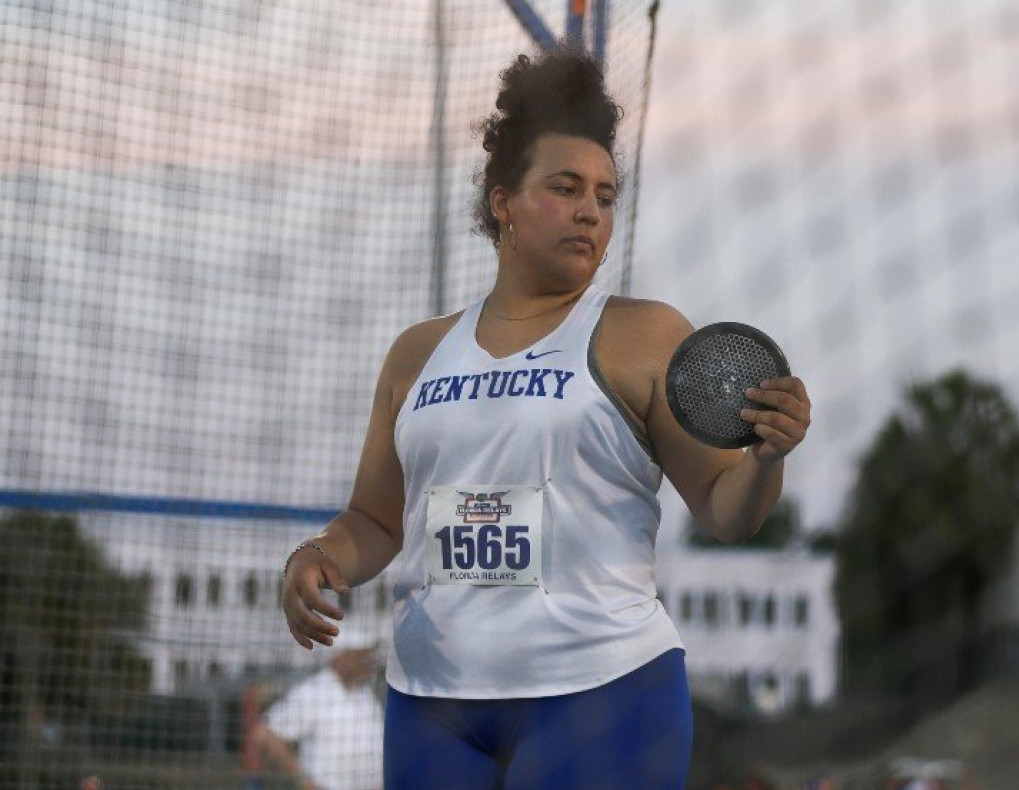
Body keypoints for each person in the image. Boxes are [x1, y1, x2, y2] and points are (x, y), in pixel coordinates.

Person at [280, 50, 812, 790]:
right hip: (433, 702)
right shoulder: (417, 354)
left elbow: (727, 512)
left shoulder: (645, 334)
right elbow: (374, 520)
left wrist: (765, 458)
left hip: (604, 693)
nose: (590, 210)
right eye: (564, 189)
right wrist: (316, 556)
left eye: (604, 194)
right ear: (503, 202)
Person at [252, 623, 384, 790]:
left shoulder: (366, 695)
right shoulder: (315, 691)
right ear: (341, 657)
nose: (368, 661)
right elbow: (266, 735)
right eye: (360, 655)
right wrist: (305, 782)